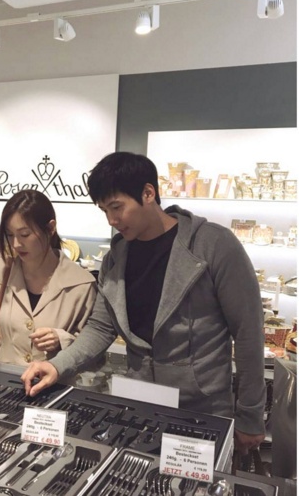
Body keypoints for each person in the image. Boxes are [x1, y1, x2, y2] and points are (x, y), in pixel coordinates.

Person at [22, 152, 266, 455]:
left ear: (148, 193)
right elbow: (100, 327)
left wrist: (250, 414)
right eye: (104, 210)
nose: (112, 220)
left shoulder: (213, 245)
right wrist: (56, 365)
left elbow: (248, 332)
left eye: (117, 207)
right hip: (140, 406)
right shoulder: (116, 258)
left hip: (202, 410)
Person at [0, 189, 97, 371]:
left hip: (56, 382)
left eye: (24, 234)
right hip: (3, 380)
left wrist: (61, 339)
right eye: (10, 235)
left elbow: (94, 343)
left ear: (50, 228)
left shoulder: (81, 283)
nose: (16, 244)